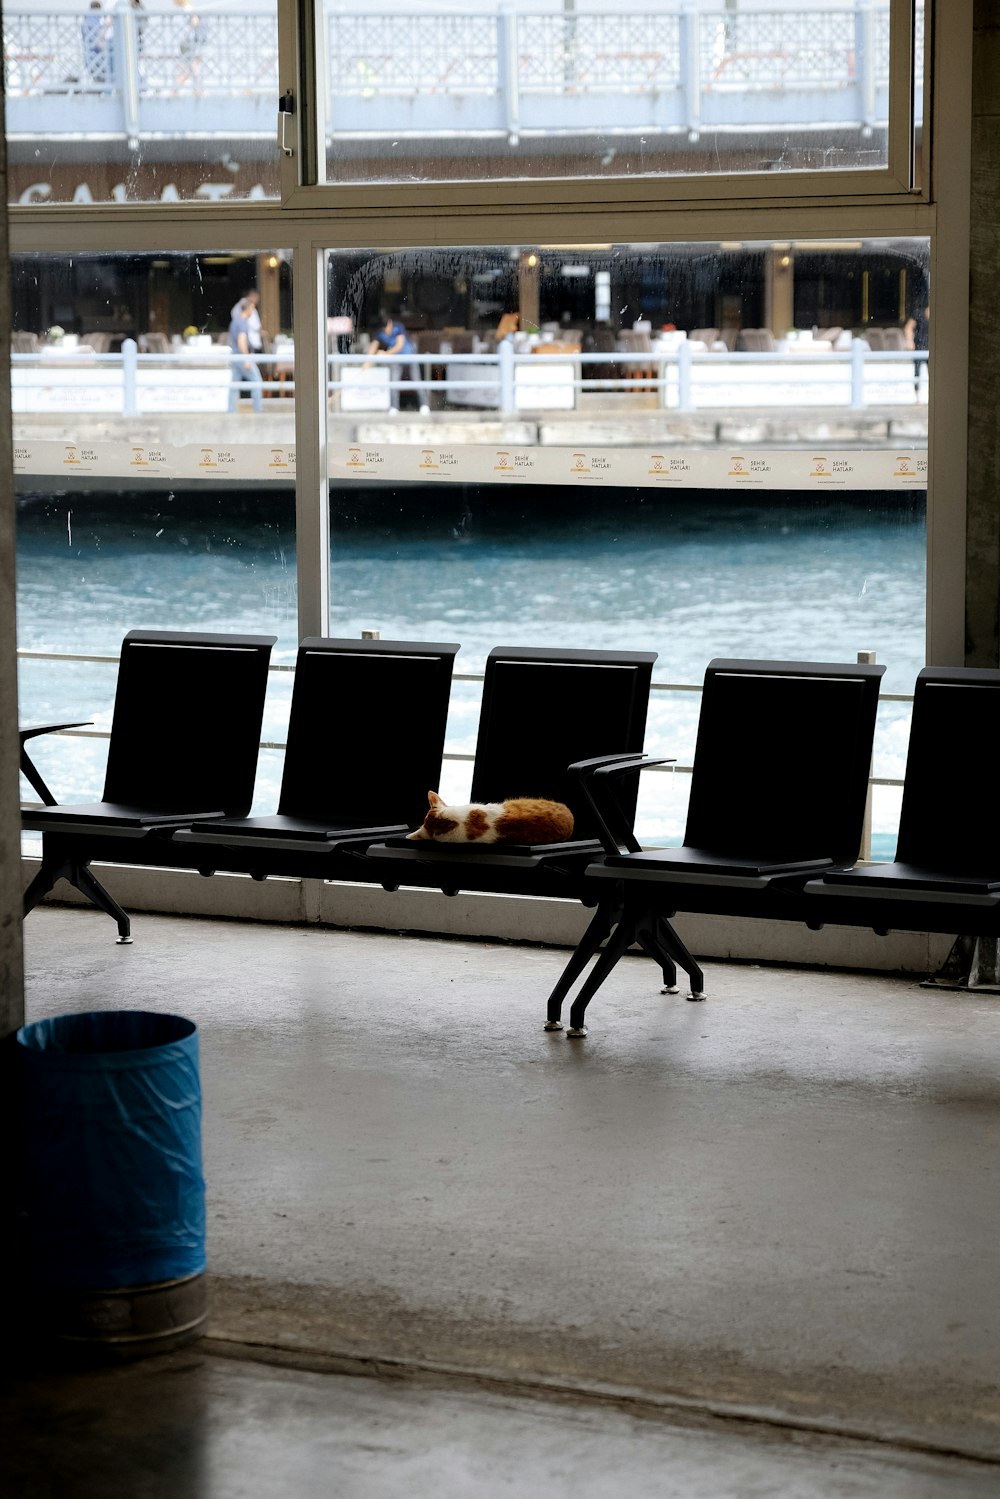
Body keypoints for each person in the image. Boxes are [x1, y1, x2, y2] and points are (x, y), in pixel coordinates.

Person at [369, 311, 428, 414]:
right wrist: (367, 361)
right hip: (396, 359)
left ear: (390, 323)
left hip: (409, 356)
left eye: (387, 327)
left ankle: (424, 405)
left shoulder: (398, 327)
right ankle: (394, 407)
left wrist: (385, 354)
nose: (386, 330)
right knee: (394, 382)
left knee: (417, 381)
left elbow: (400, 345)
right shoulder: (379, 333)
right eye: (383, 329)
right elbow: (372, 348)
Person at [228, 297, 263, 413]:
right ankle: (258, 411)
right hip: (241, 358)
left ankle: (231, 411)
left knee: (234, 386)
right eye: (252, 309)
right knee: (257, 381)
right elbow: (241, 341)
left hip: (234, 357)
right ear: (247, 309)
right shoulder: (243, 322)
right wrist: (246, 359)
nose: (253, 312)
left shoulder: (235, 321)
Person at [82, 1, 114, 91]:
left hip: (90, 60)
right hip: (97, 60)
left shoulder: (87, 20)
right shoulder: (94, 22)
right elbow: (99, 43)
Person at [230, 288, 263, 355]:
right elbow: (242, 339)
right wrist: (246, 358)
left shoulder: (236, 309)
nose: (258, 300)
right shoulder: (242, 321)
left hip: (240, 347)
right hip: (247, 345)